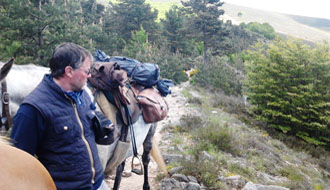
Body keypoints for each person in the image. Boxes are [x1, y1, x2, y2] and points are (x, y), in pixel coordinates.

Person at [10, 43, 115, 190]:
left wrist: (102, 125)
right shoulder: (33, 109)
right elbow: (18, 164)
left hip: (98, 184)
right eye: (86, 71)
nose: (90, 75)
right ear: (69, 71)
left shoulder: (83, 94)